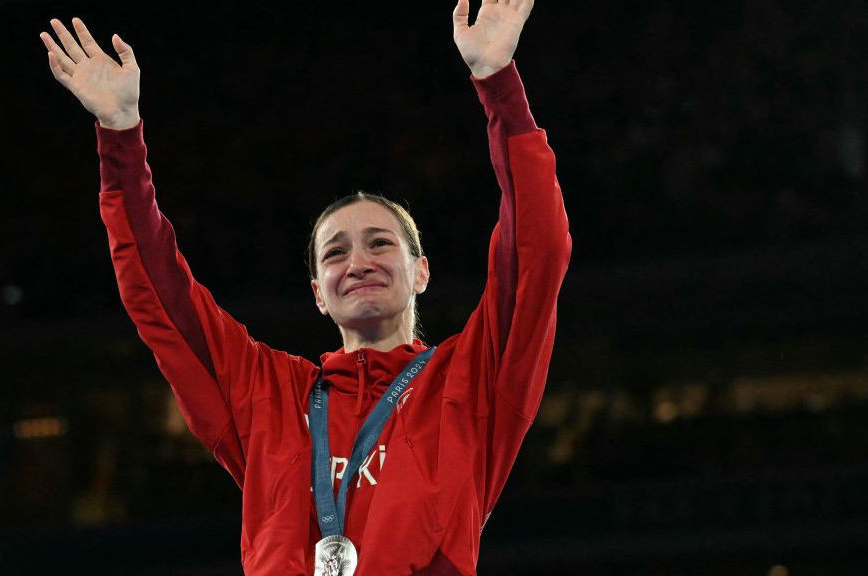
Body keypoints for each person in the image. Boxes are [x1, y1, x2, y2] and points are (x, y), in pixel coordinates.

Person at [40, 0, 570, 574]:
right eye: (335, 253)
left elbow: (538, 252)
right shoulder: (265, 397)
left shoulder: (472, 385)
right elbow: (161, 300)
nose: (358, 261)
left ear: (421, 271)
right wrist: (121, 139)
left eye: (381, 243)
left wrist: (499, 85)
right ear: (319, 292)